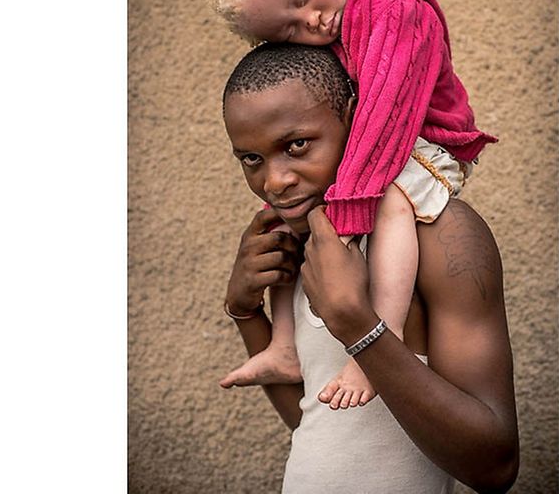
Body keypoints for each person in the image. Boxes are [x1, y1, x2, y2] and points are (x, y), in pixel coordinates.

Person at [202, 0, 497, 408]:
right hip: (371, 151)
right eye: (289, 30)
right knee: (290, 218)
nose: (312, 23)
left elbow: (384, 117)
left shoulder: (396, 10)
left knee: (391, 204)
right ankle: (282, 346)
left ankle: (383, 336)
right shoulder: (335, 22)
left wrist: (349, 209)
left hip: (425, 143)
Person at [220, 43, 518, 493]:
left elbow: (493, 467)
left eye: (297, 145)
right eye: (251, 159)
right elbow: (315, 421)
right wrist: (245, 311)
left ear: (356, 120)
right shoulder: (310, 241)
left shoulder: (439, 231)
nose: (274, 180)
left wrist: (359, 327)